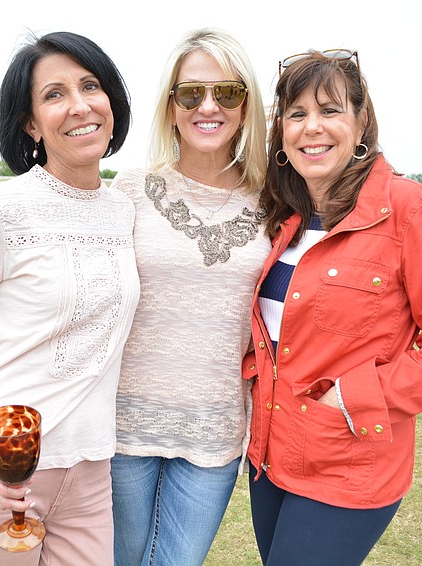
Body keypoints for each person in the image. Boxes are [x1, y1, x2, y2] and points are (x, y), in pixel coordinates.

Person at [245, 49, 422, 565]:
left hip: (349, 466)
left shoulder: (410, 209)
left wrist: (351, 397)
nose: (312, 127)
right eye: (296, 114)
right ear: (282, 137)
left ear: (361, 125)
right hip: (269, 458)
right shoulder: (286, 218)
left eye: (330, 110)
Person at [0, 31, 137, 566]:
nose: (80, 105)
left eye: (90, 85)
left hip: (89, 478)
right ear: (30, 123)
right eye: (54, 94)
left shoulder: (125, 210)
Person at [107, 28, 270, 566]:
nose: (208, 106)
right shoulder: (128, 190)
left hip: (215, 431)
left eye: (226, 93)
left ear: (245, 106)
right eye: (190, 93)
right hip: (121, 427)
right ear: (170, 108)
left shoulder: (275, 201)